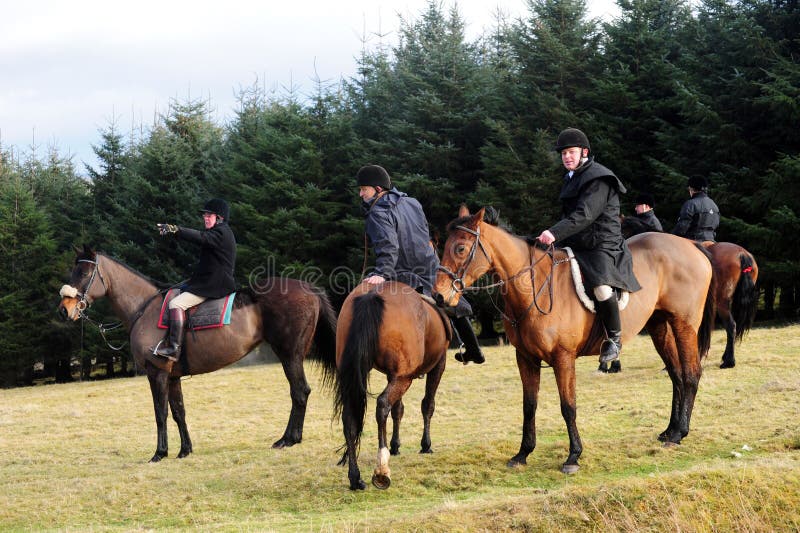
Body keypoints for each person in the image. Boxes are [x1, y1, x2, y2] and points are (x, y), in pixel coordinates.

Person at [357, 164, 484, 364]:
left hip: (402, 272)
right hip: (431, 267)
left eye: (364, 189)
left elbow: (388, 245)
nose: (361, 194)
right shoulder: (412, 202)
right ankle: (474, 349)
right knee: (452, 301)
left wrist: (382, 272)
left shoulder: (377, 212)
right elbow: (425, 235)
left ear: (378, 189)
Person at [535, 128, 641, 365]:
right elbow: (570, 217)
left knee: (601, 288)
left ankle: (614, 339)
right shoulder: (572, 177)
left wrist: (553, 233)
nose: (566, 157)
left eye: (571, 152)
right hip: (579, 242)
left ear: (584, 152)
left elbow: (585, 215)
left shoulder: (598, 178)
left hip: (602, 243)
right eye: (563, 153)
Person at [155, 198, 237, 360]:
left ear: (219, 218)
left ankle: (173, 348)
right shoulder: (220, 232)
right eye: (204, 215)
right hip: (208, 281)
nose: (205, 218)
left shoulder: (221, 233)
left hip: (214, 284)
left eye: (209, 215)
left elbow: (200, 237)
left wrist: (175, 229)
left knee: (175, 304)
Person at [672, 176, 720, 242]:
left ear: (691, 188)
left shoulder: (690, 204)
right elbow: (716, 225)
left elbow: (682, 227)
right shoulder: (714, 205)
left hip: (693, 240)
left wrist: (671, 236)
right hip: (711, 240)